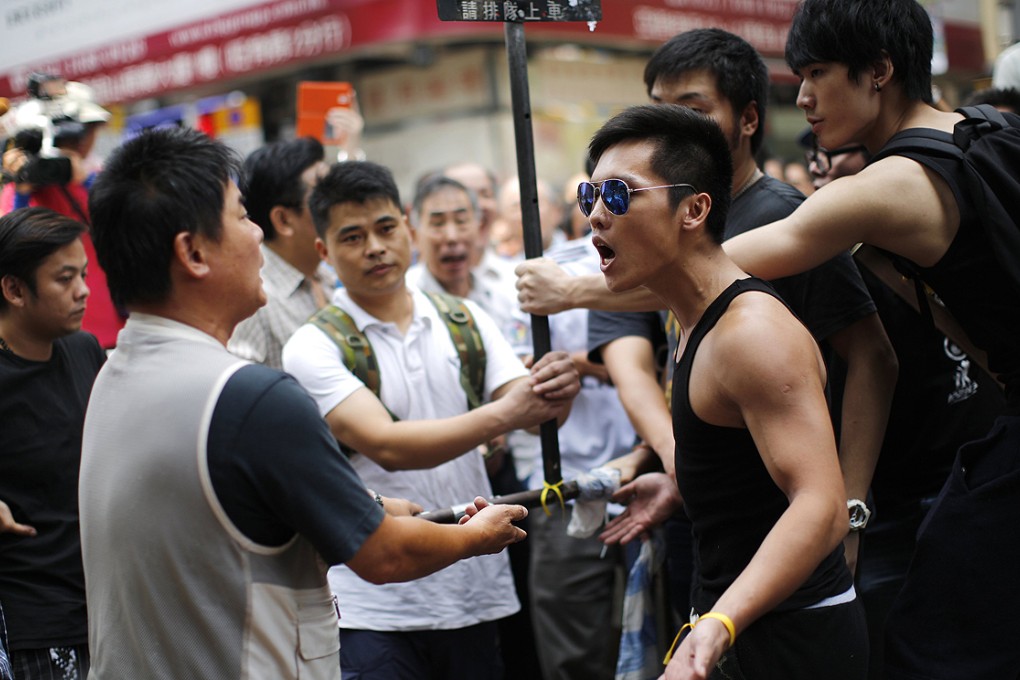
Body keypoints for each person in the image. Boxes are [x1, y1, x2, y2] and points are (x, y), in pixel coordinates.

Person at [79, 127, 530, 679]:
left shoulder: (110, 374)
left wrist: (357, 501)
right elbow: (384, 554)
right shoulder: (251, 397)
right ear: (193, 253)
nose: (258, 236)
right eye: (244, 216)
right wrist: (476, 536)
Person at [720, 0, 1020, 676]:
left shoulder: (892, 182)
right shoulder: (991, 125)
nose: (802, 97)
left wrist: (577, 287)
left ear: (879, 70)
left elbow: (720, 267)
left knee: (933, 643)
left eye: (819, 72)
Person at [537, 27, 896, 573]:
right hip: (708, 526)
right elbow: (639, 357)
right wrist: (674, 464)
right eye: (657, 107)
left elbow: (872, 357)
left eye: (693, 107)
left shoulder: (785, 224)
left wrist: (848, 513)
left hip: (786, 540)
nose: (597, 214)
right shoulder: (641, 248)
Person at [586, 103, 866, 680]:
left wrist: (721, 623)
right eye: (588, 196)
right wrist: (684, 484)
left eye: (617, 194)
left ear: (693, 208)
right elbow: (747, 472)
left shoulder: (750, 333)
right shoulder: (692, 320)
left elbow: (821, 505)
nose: (595, 215)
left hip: (790, 639)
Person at [282, 160, 580, 680]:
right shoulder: (312, 345)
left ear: (407, 228)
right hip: (370, 605)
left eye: (385, 228)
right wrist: (510, 411)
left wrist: (555, 391)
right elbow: (387, 443)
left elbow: (532, 415)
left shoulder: (461, 318)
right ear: (324, 253)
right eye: (352, 237)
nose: (374, 247)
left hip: (472, 589)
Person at [404, 173, 543, 680]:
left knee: (519, 616)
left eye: (461, 219)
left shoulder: (513, 286)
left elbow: (537, 399)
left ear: (480, 225)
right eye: (435, 222)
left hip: (511, 474)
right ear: (413, 231)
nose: (450, 235)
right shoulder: (404, 302)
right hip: (436, 486)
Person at [0, 207, 104, 680]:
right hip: (37, 624)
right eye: (65, 279)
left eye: (83, 274)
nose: (83, 291)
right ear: (14, 289)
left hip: (108, 607)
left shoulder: (84, 350)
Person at [1, 75, 123, 349]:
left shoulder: (98, 181)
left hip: (114, 334)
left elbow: (126, 219)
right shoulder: (18, 193)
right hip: (63, 344)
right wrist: (22, 189)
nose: (82, 143)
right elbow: (11, 252)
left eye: (83, 132)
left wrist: (83, 179)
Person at [227, 137, 334, 369]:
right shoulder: (254, 303)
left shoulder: (326, 276)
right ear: (284, 219)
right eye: (324, 195)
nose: (339, 204)